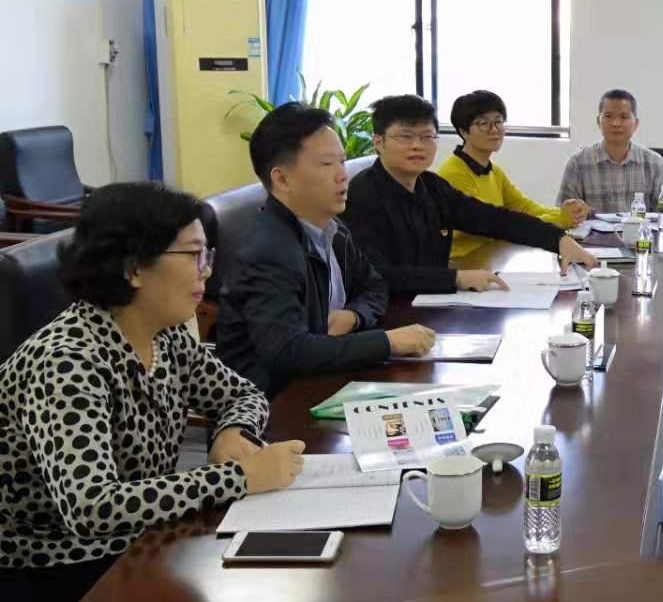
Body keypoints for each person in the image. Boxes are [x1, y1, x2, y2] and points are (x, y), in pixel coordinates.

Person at [0, 183, 306, 602]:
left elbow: (243, 393)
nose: (207, 270)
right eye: (193, 255)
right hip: (55, 570)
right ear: (134, 268)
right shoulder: (67, 362)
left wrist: (234, 431)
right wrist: (238, 477)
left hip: (139, 542)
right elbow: (91, 509)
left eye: (207, 254)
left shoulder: (165, 336)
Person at [217, 103, 436, 396]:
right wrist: (388, 342)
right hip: (272, 404)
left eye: (342, 162)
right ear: (282, 179)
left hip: (325, 378)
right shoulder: (267, 250)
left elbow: (374, 285)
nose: (342, 175)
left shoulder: (332, 228)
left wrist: (355, 316)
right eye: (326, 164)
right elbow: (287, 351)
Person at [343, 95, 598, 295]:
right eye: (405, 137)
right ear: (378, 142)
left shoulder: (431, 186)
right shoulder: (361, 196)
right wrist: (456, 278)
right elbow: (377, 274)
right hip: (391, 314)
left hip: (433, 302)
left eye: (427, 136)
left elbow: (494, 219)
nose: (417, 145)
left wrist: (558, 239)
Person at [437, 90, 590, 263]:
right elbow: (493, 226)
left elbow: (524, 207)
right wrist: (562, 218)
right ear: (464, 131)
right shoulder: (454, 173)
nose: (494, 129)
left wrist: (566, 212)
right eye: (483, 123)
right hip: (463, 263)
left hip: (492, 256)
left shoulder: (493, 170)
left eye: (498, 121)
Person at [556, 89, 663, 215]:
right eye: (608, 116)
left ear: (636, 124)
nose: (616, 123)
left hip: (641, 229)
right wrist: (575, 212)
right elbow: (563, 214)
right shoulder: (578, 164)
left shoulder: (655, 163)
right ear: (598, 122)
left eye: (623, 117)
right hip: (594, 229)